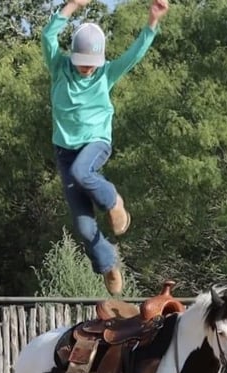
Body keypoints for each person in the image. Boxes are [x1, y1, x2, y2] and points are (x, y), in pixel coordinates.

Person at [42, 0, 169, 296]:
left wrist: (152, 21)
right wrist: (72, 5)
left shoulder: (105, 74)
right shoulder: (59, 67)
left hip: (96, 143)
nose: (87, 68)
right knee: (85, 229)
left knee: (82, 171)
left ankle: (114, 202)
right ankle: (109, 263)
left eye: (91, 62)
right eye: (82, 61)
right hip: (65, 151)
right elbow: (48, 36)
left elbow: (134, 55)